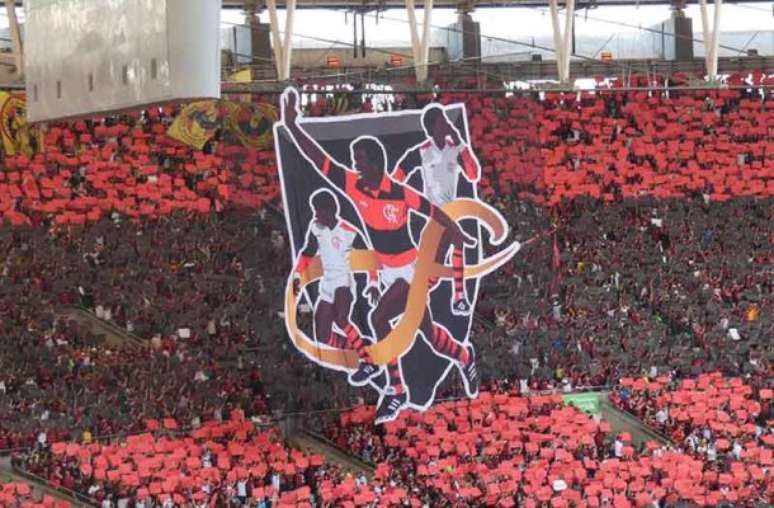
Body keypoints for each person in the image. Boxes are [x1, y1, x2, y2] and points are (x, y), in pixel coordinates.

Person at [281, 88, 479, 424]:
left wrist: (456, 232)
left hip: (412, 270)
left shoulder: (400, 193)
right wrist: (291, 125)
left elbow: (435, 212)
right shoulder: (355, 185)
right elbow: (317, 159)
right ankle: (463, 355)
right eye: (354, 163)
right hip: (388, 271)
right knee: (427, 334)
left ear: (375, 164)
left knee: (377, 319)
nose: (355, 167)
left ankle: (397, 391)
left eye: (360, 162)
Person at [392, 105, 481, 315]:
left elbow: (473, 174)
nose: (447, 125)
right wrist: (398, 200)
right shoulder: (422, 151)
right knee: (433, 271)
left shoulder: (454, 149)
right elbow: (398, 176)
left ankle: (455, 298)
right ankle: (454, 297)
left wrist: (459, 141)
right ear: (432, 129)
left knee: (437, 267)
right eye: (442, 122)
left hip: (452, 213)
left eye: (446, 121)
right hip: (434, 216)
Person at [293, 189, 379, 384]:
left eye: (319, 210)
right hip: (327, 283)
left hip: (344, 282)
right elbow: (307, 252)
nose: (315, 215)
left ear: (331, 210)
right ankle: (361, 348)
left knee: (342, 319)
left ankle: (368, 362)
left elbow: (369, 257)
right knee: (323, 335)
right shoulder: (316, 228)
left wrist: (373, 282)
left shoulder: (349, 231)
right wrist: (298, 276)